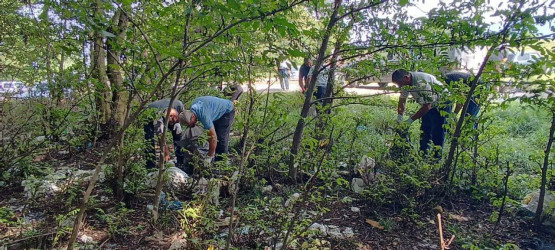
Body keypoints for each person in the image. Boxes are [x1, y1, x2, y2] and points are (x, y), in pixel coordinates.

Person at [392, 69, 452, 156]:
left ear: (406, 78)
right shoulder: (405, 84)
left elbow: (427, 106)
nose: (399, 86)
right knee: (425, 130)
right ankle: (423, 155)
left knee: (438, 131)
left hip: (443, 103)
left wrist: (410, 121)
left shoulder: (421, 83)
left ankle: (436, 158)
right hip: (428, 104)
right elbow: (402, 100)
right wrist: (399, 117)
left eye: (399, 83)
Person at [179, 96, 235, 165]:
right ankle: (215, 158)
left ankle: (222, 162)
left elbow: (213, 137)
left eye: (191, 123)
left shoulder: (204, 116)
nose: (191, 125)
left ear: (192, 116)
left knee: (221, 137)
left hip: (227, 111)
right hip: (215, 111)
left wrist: (209, 157)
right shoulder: (193, 108)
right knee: (213, 134)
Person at [144, 99, 185, 169]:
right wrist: (166, 154)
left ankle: (181, 161)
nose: (173, 122)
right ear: (169, 117)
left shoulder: (179, 105)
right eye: (172, 121)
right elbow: (161, 137)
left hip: (167, 111)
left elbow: (183, 116)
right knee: (149, 140)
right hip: (149, 113)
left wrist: (178, 124)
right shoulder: (158, 118)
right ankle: (150, 166)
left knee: (178, 133)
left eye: (176, 118)